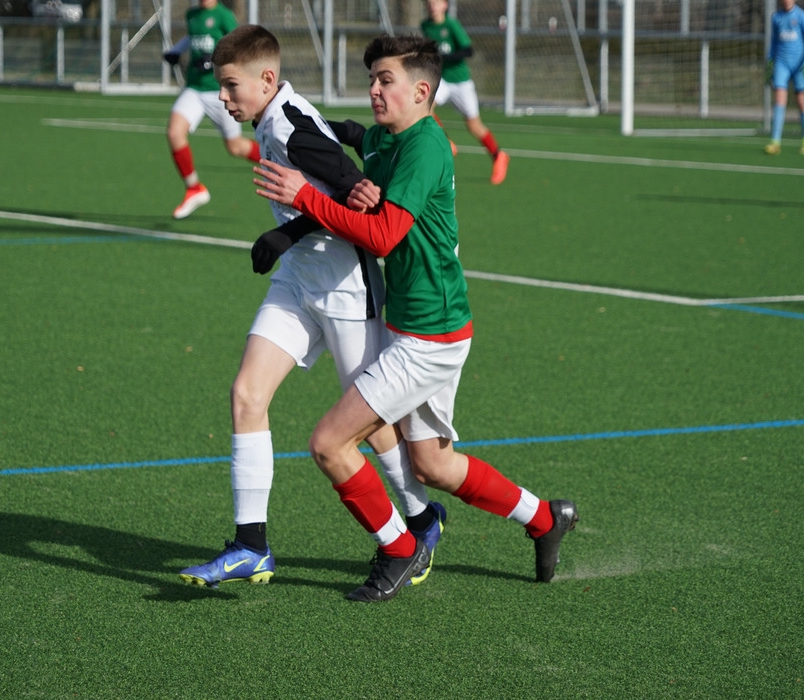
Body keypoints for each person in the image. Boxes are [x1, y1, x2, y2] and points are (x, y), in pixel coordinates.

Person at [254, 35, 578, 603]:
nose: (374, 90)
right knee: (432, 465)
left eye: (386, 80)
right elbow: (360, 136)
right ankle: (545, 518)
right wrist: (318, 125)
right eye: (372, 79)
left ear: (422, 91)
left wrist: (306, 196)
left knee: (329, 443)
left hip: (430, 336)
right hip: (419, 326)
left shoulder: (426, 148)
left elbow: (382, 236)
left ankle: (400, 549)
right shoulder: (388, 136)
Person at [177, 25, 447, 590]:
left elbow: (353, 189)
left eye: (230, 86)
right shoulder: (276, 118)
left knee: (371, 426)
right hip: (299, 280)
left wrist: (288, 230)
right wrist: (290, 239)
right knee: (247, 394)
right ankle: (251, 545)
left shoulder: (290, 127)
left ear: (266, 80)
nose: (222, 98)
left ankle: (421, 520)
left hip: (346, 284)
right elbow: (332, 168)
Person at [163, 0, 261, 218]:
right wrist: (176, 51)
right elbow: (192, 38)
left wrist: (214, 60)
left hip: (220, 90)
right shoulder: (192, 15)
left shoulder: (223, 15)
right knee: (174, 133)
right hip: (195, 88)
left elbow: (239, 46)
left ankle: (276, 159)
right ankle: (194, 188)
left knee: (235, 147)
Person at [421, 0, 509, 184]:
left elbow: (468, 50)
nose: (432, 6)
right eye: (429, 3)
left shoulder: (452, 25)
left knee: (474, 126)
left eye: (436, 2)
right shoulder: (426, 26)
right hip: (442, 79)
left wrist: (446, 57)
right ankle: (446, 142)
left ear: (445, 5)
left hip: (460, 82)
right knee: (424, 108)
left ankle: (498, 155)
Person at [765, 0, 804, 156]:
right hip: (781, 63)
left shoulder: (801, 16)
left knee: (801, 101)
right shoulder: (776, 17)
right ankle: (775, 142)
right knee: (779, 99)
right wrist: (770, 62)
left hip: (799, 65)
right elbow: (774, 42)